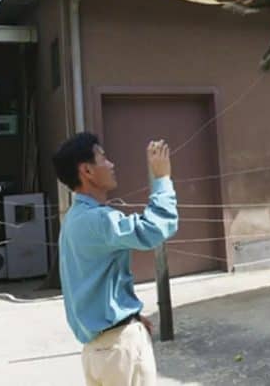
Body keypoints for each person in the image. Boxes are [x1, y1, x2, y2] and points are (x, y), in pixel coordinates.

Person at [53, 132, 178, 386]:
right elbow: (156, 229)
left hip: (98, 350)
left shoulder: (74, 219)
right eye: (103, 158)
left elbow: (90, 286)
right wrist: (161, 178)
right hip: (118, 350)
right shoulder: (98, 220)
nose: (111, 164)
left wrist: (130, 318)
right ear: (87, 171)